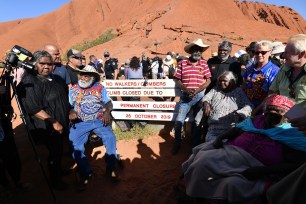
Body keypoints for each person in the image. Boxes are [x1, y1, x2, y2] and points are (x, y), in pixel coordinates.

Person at [181, 94, 306, 203]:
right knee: (202, 161)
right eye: (270, 110)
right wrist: (220, 138)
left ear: (287, 115)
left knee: (232, 184)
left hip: (259, 166)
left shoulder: (292, 133)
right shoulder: (257, 121)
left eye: (279, 111)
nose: (273, 114)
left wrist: (264, 170)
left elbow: (295, 165)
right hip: (232, 153)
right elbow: (235, 130)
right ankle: (193, 194)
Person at [18, 50, 71, 190]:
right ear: (35, 64)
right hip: (46, 125)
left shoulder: (55, 79)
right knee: (53, 151)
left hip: (59, 121)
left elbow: (63, 98)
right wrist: (53, 122)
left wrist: (70, 110)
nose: (47, 67)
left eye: (50, 64)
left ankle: (58, 171)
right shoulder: (30, 81)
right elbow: (33, 108)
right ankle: (55, 181)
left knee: (59, 149)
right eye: (42, 63)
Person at [68, 65, 120, 190]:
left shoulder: (100, 87)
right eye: (82, 74)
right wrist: (71, 112)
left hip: (98, 120)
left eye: (87, 75)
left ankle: (110, 167)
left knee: (110, 138)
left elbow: (108, 102)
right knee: (75, 144)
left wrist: (107, 111)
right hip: (80, 122)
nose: (83, 77)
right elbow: (70, 106)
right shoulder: (73, 89)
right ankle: (86, 172)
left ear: (93, 77)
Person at [172, 38, 211, 155]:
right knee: (178, 122)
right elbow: (177, 79)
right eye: (195, 50)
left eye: (200, 50)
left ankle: (194, 146)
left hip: (200, 97)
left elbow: (208, 80)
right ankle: (177, 143)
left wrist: (198, 90)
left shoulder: (204, 63)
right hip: (186, 97)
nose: (198, 52)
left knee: (198, 123)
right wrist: (186, 89)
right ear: (191, 51)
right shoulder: (182, 63)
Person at [202, 71, 253, 142]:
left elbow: (249, 106)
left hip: (229, 130)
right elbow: (206, 97)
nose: (221, 83)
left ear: (231, 82)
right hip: (213, 129)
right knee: (211, 147)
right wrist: (206, 102)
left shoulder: (238, 92)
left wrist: (240, 113)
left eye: (224, 81)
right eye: (220, 81)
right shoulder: (215, 90)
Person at [269, 34, 306, 107]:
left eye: (287, 52)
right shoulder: (283, 69)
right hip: (280, 115)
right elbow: (272, 91)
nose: (283, 56)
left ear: (302, 54)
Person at [243, 40, 280, 108]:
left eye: (263, 52)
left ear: (270, 52)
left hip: (262, 110)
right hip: (245, 105)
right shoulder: (249, 69)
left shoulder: (275, 71)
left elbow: (272, 95)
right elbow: (244, 86)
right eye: (257, 52)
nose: (260, 55)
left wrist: (256, 111)